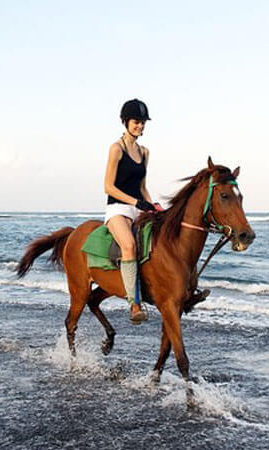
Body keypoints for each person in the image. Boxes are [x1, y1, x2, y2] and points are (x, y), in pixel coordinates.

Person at [104, 99, 162, 324]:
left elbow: (143, 187)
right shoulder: (116, 149)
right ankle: (134, 303)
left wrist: (153, 206)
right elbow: (108, 186)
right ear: (126, 122)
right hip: (117, 208)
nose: (140, 126)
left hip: (138, 207)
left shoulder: (145, 152)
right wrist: (136, 203)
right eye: (137, 122)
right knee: (129, 246)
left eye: (143, 122)